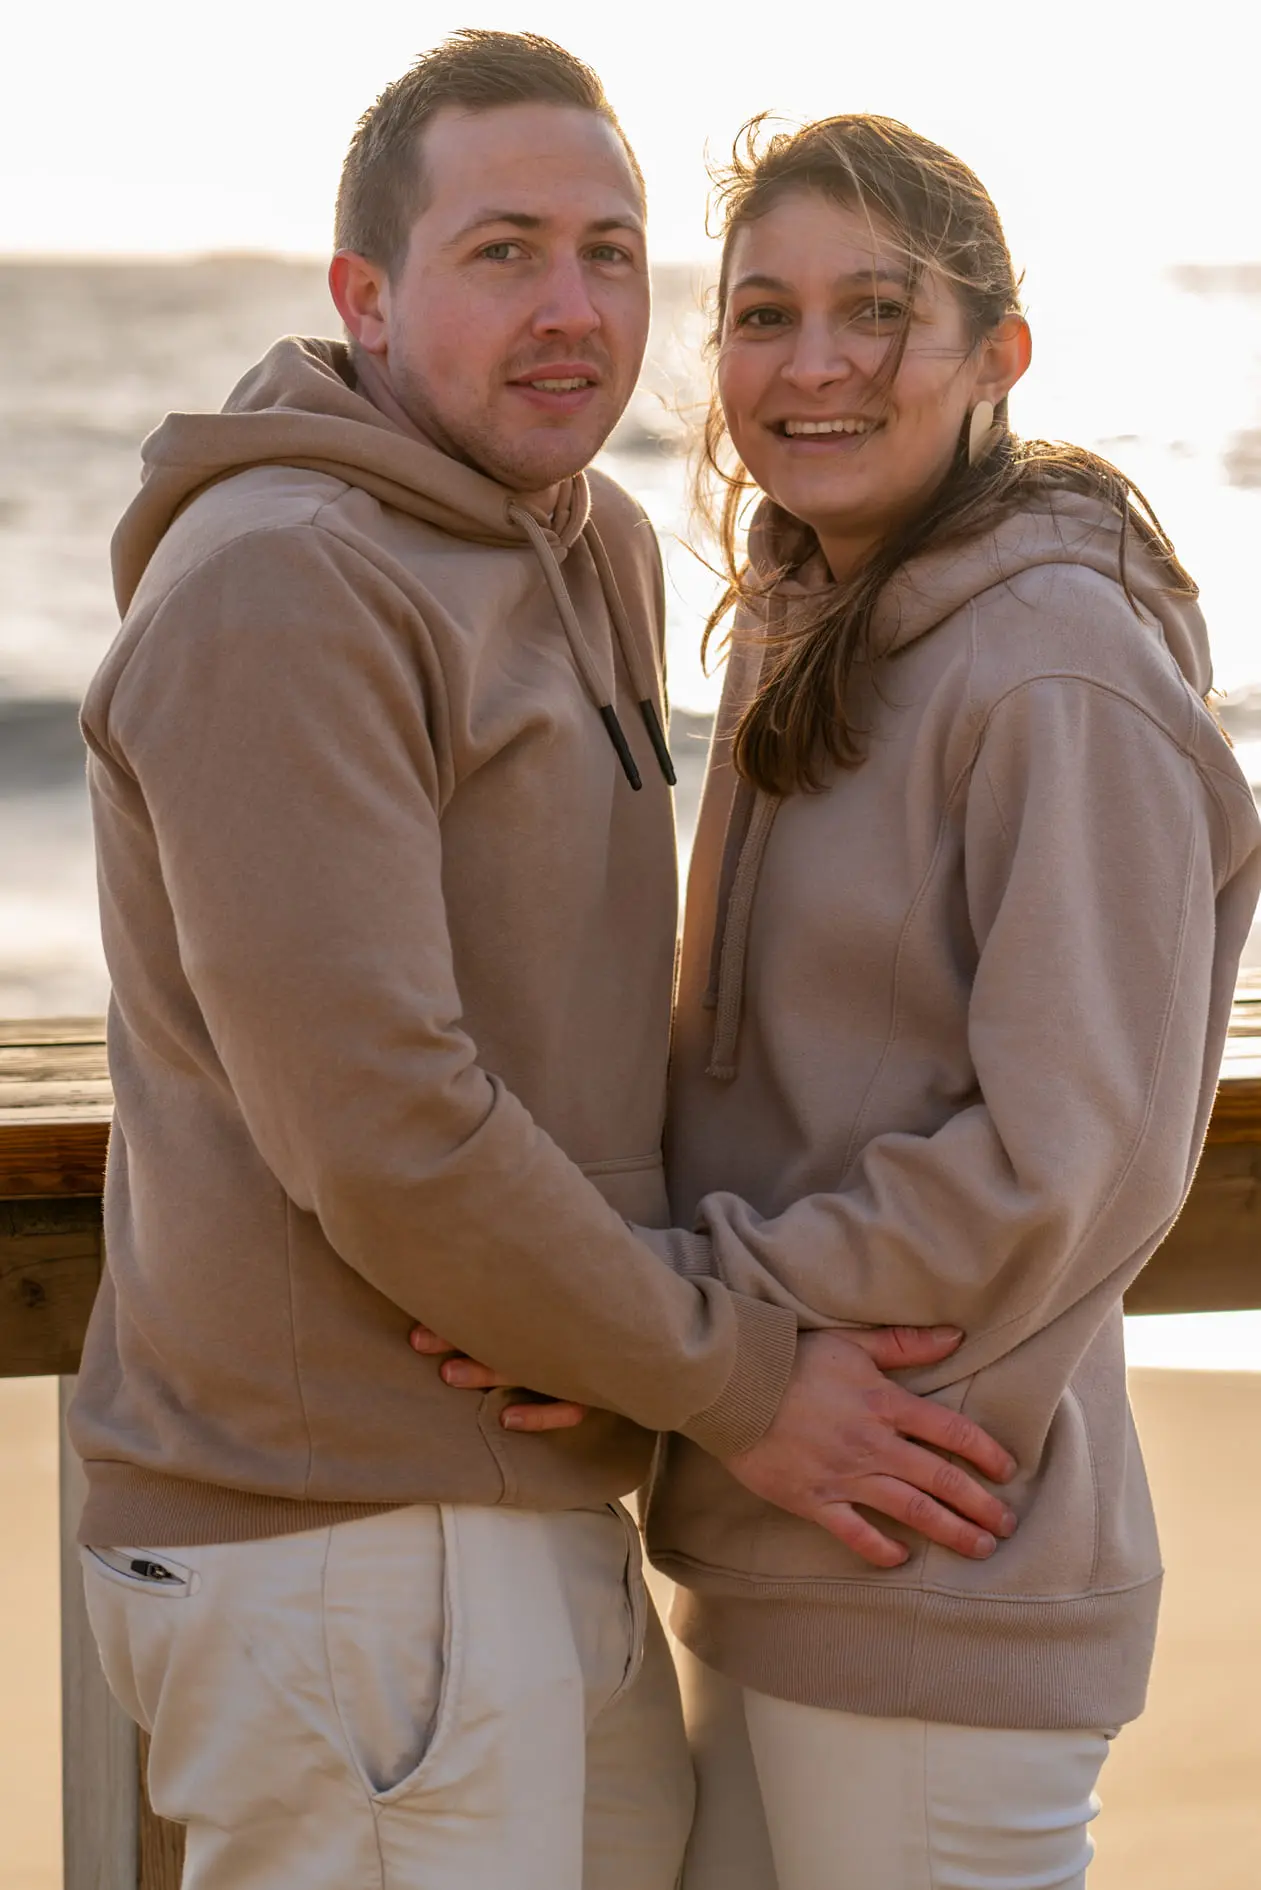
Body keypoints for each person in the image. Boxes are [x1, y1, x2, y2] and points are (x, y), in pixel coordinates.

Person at [69, 42, 1016, 1890]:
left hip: (536, 1475)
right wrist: (741, 1380)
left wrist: (637, 1340)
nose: (574, 309)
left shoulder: (596, 543)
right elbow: (386, 1125)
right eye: (503, 251)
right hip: (331, 1530)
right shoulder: (286, 585)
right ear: (365, 294)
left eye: (611, 250)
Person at [417, 114, 1261, 1890]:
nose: (812, 366)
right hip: (783, 1541)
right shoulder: (816, 621)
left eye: (877, 310)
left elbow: (1062, 1156)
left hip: (944, 1554)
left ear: (997, 352)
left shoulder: (1056, 661)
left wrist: (650, 1304)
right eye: (762, 312)